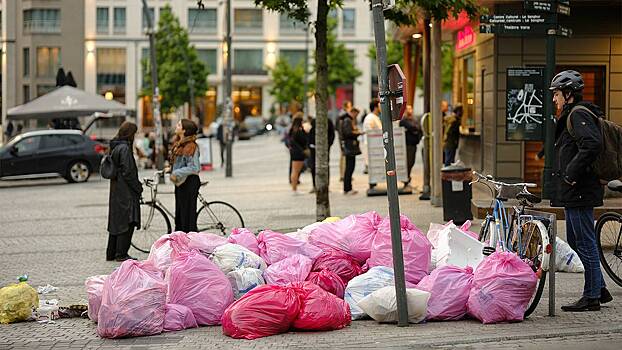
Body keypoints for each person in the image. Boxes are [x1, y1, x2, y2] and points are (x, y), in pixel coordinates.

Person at [548, 70, 612, 312]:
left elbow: (592, 144)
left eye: (556, 94)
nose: (554, 99)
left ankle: (592, 296)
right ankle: (600, 288)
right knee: (577, 240)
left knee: (584, 241)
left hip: (580, 189)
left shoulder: (577, 115)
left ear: (568, 94)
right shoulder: (572, 115)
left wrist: (570, 173)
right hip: (574, 190)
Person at [107, 122, 142, 262]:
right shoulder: (125, 149)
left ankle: (111, 253)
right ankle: (121, 253)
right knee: (127, 222)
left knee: (116, 222)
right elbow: (128, 172)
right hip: (126, 191)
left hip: (116, 190)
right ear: (130, 134)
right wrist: (138, 187)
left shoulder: (115, 146)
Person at [169, 119, 201, 232]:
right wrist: (169, 170)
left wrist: (176, 173)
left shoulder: (191, 146)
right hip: (181, 183)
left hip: (189, 183)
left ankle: (189, 241)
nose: (176, 126)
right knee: (180, 215)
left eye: (178, 125)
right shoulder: (180, 144)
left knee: (187, 215)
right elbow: (181, 164)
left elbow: (195, 167)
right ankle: (181, 239)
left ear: (184, 130)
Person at [307, 115, 335, 193]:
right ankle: (315, 185)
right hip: (314, 148)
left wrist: (328, 144)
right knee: (313, 166)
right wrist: (310, 145)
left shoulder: (328, 121)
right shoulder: (314, 121)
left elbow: (332, 134)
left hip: (325, 147)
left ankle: (325, 185)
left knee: (325, 166)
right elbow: (310, 134)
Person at [340, 107, 362, 195]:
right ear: (353, 112)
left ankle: (348, 187)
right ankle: (347, 188)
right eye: (356, 114)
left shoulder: (347, 120)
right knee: (349, 168)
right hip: (349, 147)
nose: (356, 116)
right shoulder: (347, 120)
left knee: (350, 167)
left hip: (349, 147)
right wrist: (357, 133)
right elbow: (347, 133)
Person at [399, 105, 422, 188]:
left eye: (411, 109)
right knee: (408, 162)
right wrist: (414, 129)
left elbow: (418, 128)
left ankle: (407, 178)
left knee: (412, 162)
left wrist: (414, 129)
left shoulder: (414, 119)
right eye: (408, 109)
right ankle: (406, 179)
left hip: (414, 144)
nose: (410, 110)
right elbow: (412, 127)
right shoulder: (404, 120)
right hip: (407, 144)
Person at [288, 114, 308, 194]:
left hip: (295, 152)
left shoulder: (294, 130)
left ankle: (294, 188)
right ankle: (294, 189)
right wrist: (303, 150)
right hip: (298, 153)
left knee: (295, 171)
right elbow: (302, 140)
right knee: (296, 171)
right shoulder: (297, 131)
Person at [363, 99, 382, 182]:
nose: (381, 107)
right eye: (379, 106)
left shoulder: (375, 117)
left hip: (375, 147)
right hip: (372, 148)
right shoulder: (370, 118)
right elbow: (369, 132)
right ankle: (372, 183)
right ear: (375, 107)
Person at [336, 100, 353, 181]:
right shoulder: (343, 115)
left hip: (342, 138)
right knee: (343, 156)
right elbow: (340, 129)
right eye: (350, 106)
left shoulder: (341, 115)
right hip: (343, 139)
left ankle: (343, 174)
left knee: (343, 156)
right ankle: (343, 175)